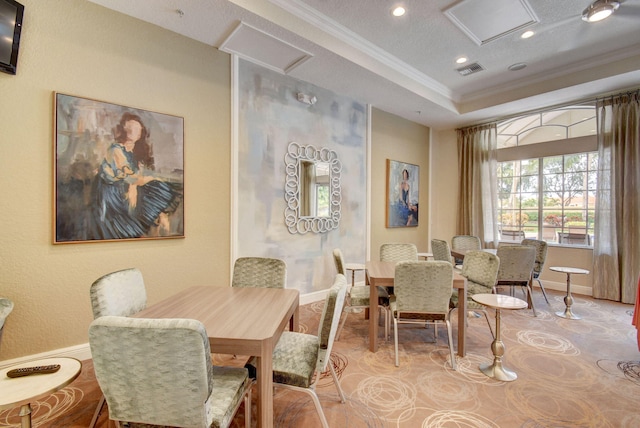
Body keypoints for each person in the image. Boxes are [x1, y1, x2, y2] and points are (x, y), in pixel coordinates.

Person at [91, 112, 182, 239]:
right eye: (130, 128)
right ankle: (148, 221)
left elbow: (137, 177)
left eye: (137, 129)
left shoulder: (135, 151)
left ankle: (159, 218)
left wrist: (143, 181)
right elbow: (131, 178)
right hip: (113, 192)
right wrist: (150, 179)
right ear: (124, 130)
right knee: (156, 185)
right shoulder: (116, 149)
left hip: (128, 187)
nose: (134, 131)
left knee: (159, 188)